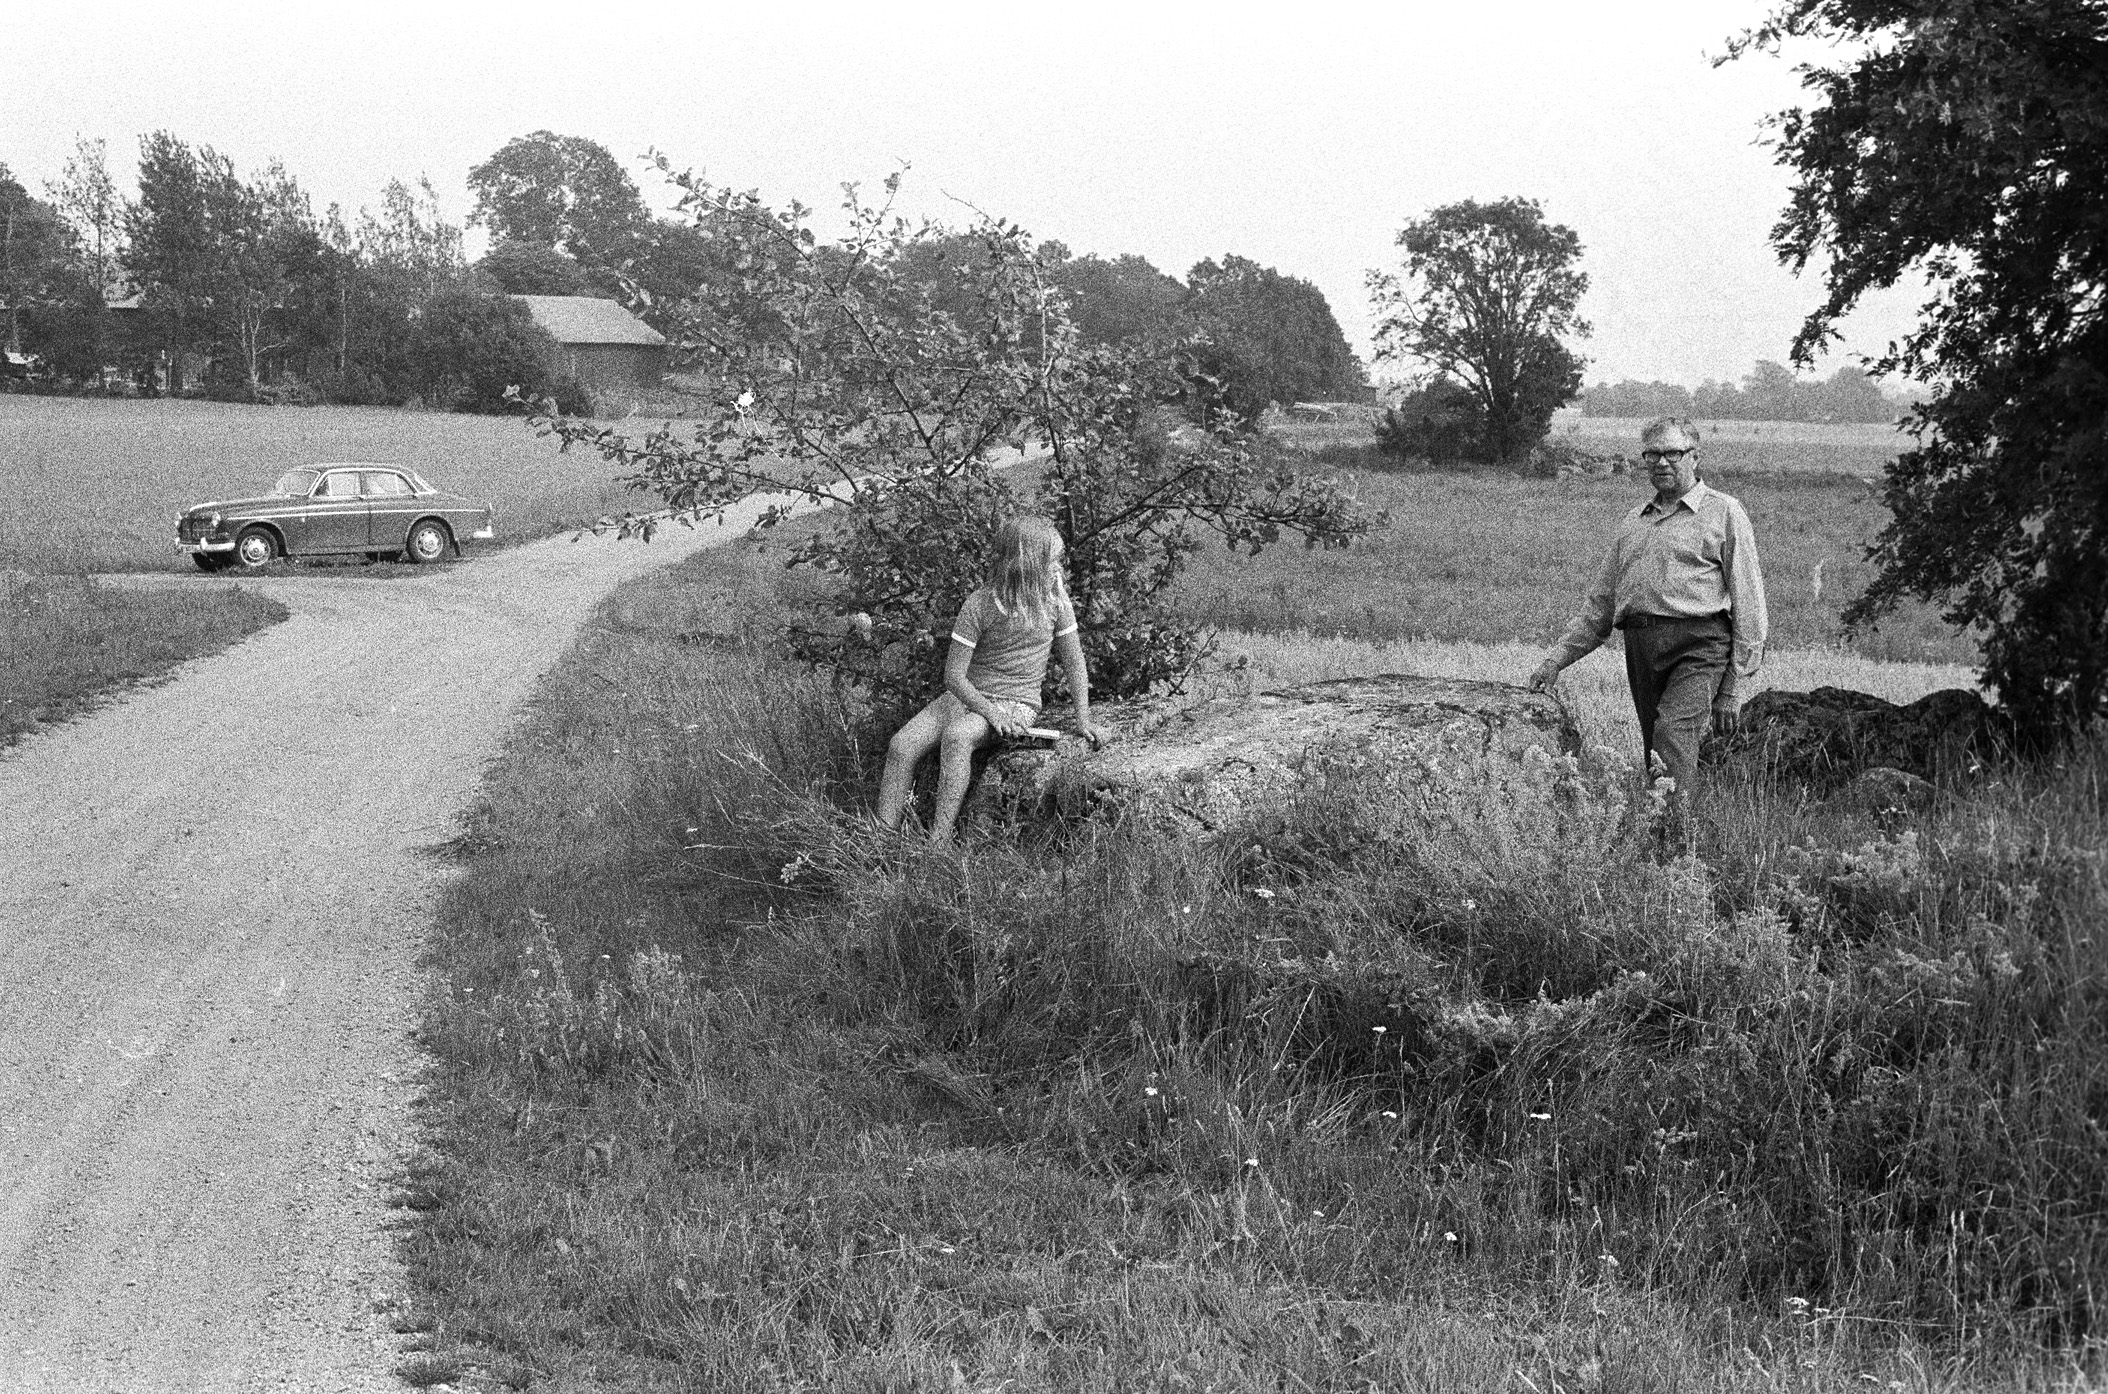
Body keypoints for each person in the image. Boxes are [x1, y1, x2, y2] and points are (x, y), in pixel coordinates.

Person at [1529, 416, 1769, 819]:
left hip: (1700, 645)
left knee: (1671, 736)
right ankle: (1663, 843)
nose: (1662, 463)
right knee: (1654, 753)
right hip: (1641, 645)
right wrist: (1556, 660)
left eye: (1673, 453)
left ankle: (1677, 844)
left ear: (1695, 457)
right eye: (1652, 454)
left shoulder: (1724, 512)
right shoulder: (1633, 521)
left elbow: (1750, 600)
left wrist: (1732, 686)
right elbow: (1601, 604)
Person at [877, 515, 1110, 845]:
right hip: (968, 697)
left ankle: (937, 845)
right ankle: (879, 843)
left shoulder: (1056, 603)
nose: (1059, 568)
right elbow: (954, 677)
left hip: (1016, 703)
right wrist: (989, 712)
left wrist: (1084, 718)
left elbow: (1075, 663)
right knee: (901, 745)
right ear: (1027, 564)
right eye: (1053, 560)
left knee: (958, 737)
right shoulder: (980, 604)